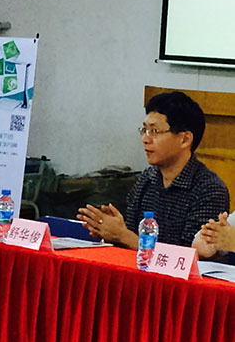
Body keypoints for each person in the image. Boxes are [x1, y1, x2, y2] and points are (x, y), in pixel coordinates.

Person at [77, 91, 229, 248]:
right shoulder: (147, 179)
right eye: (144, 130)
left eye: (154, 131)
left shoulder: (210, 190)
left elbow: (189, 256)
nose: (145, 139)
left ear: (185, 139)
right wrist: (110, 232)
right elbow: (130, 237)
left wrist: (122, 235)